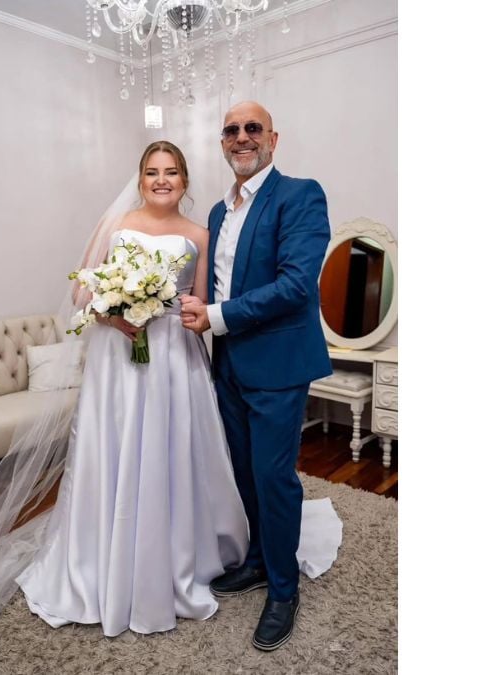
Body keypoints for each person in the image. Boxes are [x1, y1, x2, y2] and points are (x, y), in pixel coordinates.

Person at [0, 140, 341, 639]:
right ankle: (109, 553)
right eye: (153, 172)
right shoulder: (116, 224)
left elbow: (202, 300)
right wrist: (114, 313)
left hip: (175, 358)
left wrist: (173, 311)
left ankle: (188, 555)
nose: (162, 180)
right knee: (116, 449)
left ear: (184, 181)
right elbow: (82, 290)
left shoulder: (201, 230)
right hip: (118, 358)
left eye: (172, 172)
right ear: (140, 180)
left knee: (175, 451)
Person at [180, 101, 334, 651]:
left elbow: (295, 285)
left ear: (273, 138)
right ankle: (256, 560)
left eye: (252, 129)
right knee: (242, 472)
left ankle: (284, 590)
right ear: (223, 143)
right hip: (227, 364)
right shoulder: (217, 213)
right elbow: (215, 284)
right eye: (231, 131)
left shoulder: (300, 195)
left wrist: (216, 317)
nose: (241, 137)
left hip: (278, 363)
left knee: (273, 477)